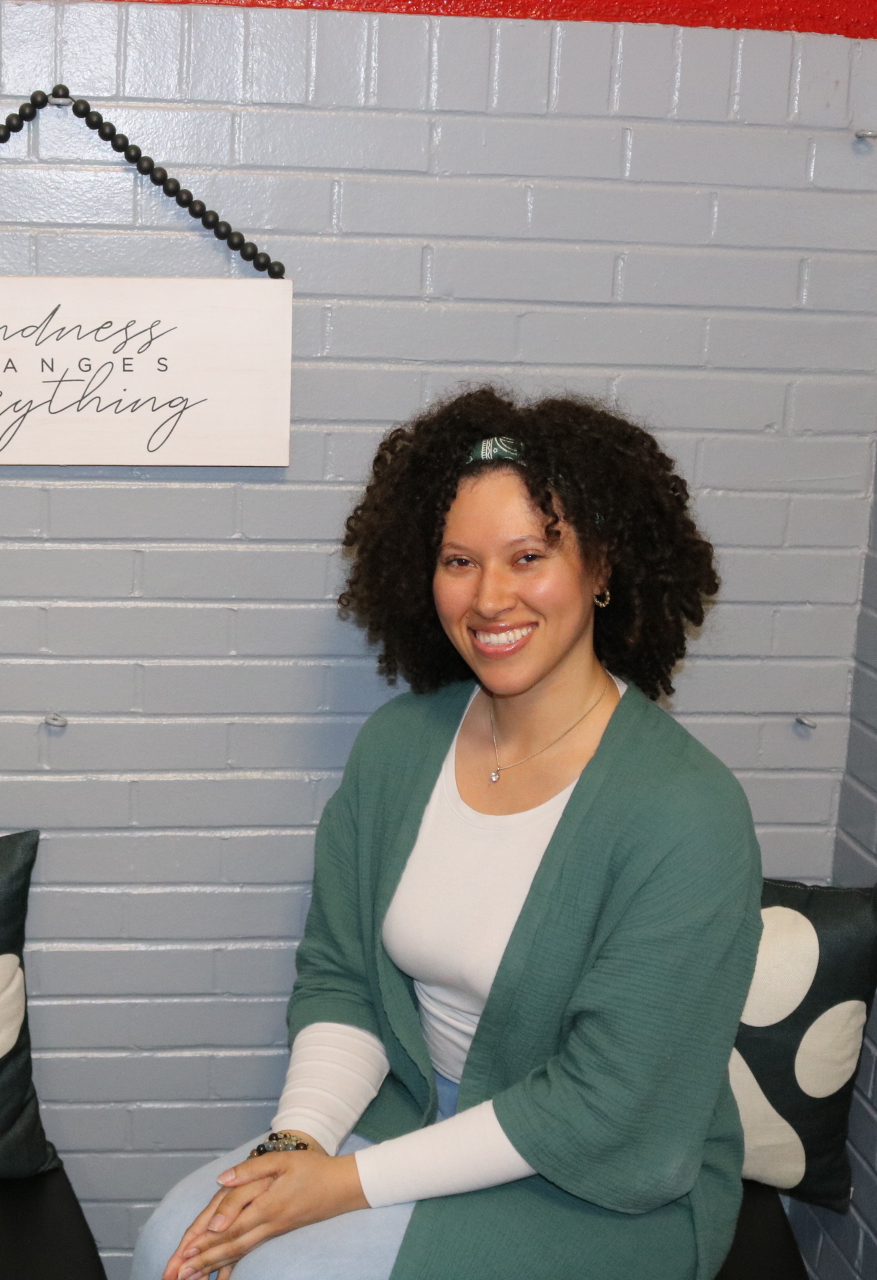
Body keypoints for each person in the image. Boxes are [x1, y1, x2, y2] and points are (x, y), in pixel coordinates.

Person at [131, 387, 764, 1280]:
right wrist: (298, 1145)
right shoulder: (399, 748)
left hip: (595, 1184)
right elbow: (343, 981)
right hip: (409, 1114)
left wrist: (343, 1187)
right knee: (174, 1243)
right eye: (459, 560)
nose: (490, 596)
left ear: (602, 566)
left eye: (529, 556)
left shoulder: (686, 812)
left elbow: (609, 1108)